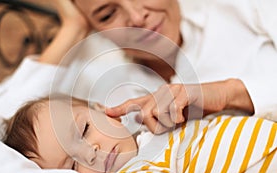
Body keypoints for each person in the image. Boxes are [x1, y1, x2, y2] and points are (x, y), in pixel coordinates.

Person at [19, 0, 277, 134]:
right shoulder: (107, 96)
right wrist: (71, 27)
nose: (136, 17)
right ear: (94, 29)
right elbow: (9, 132)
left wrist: (229, 93)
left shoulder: (244, 11)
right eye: (107, 14)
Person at [3, 94, 277, 173]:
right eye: (73, 165)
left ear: (105, 110)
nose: (91, 152)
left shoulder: (155, 127)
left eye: (84, 130)